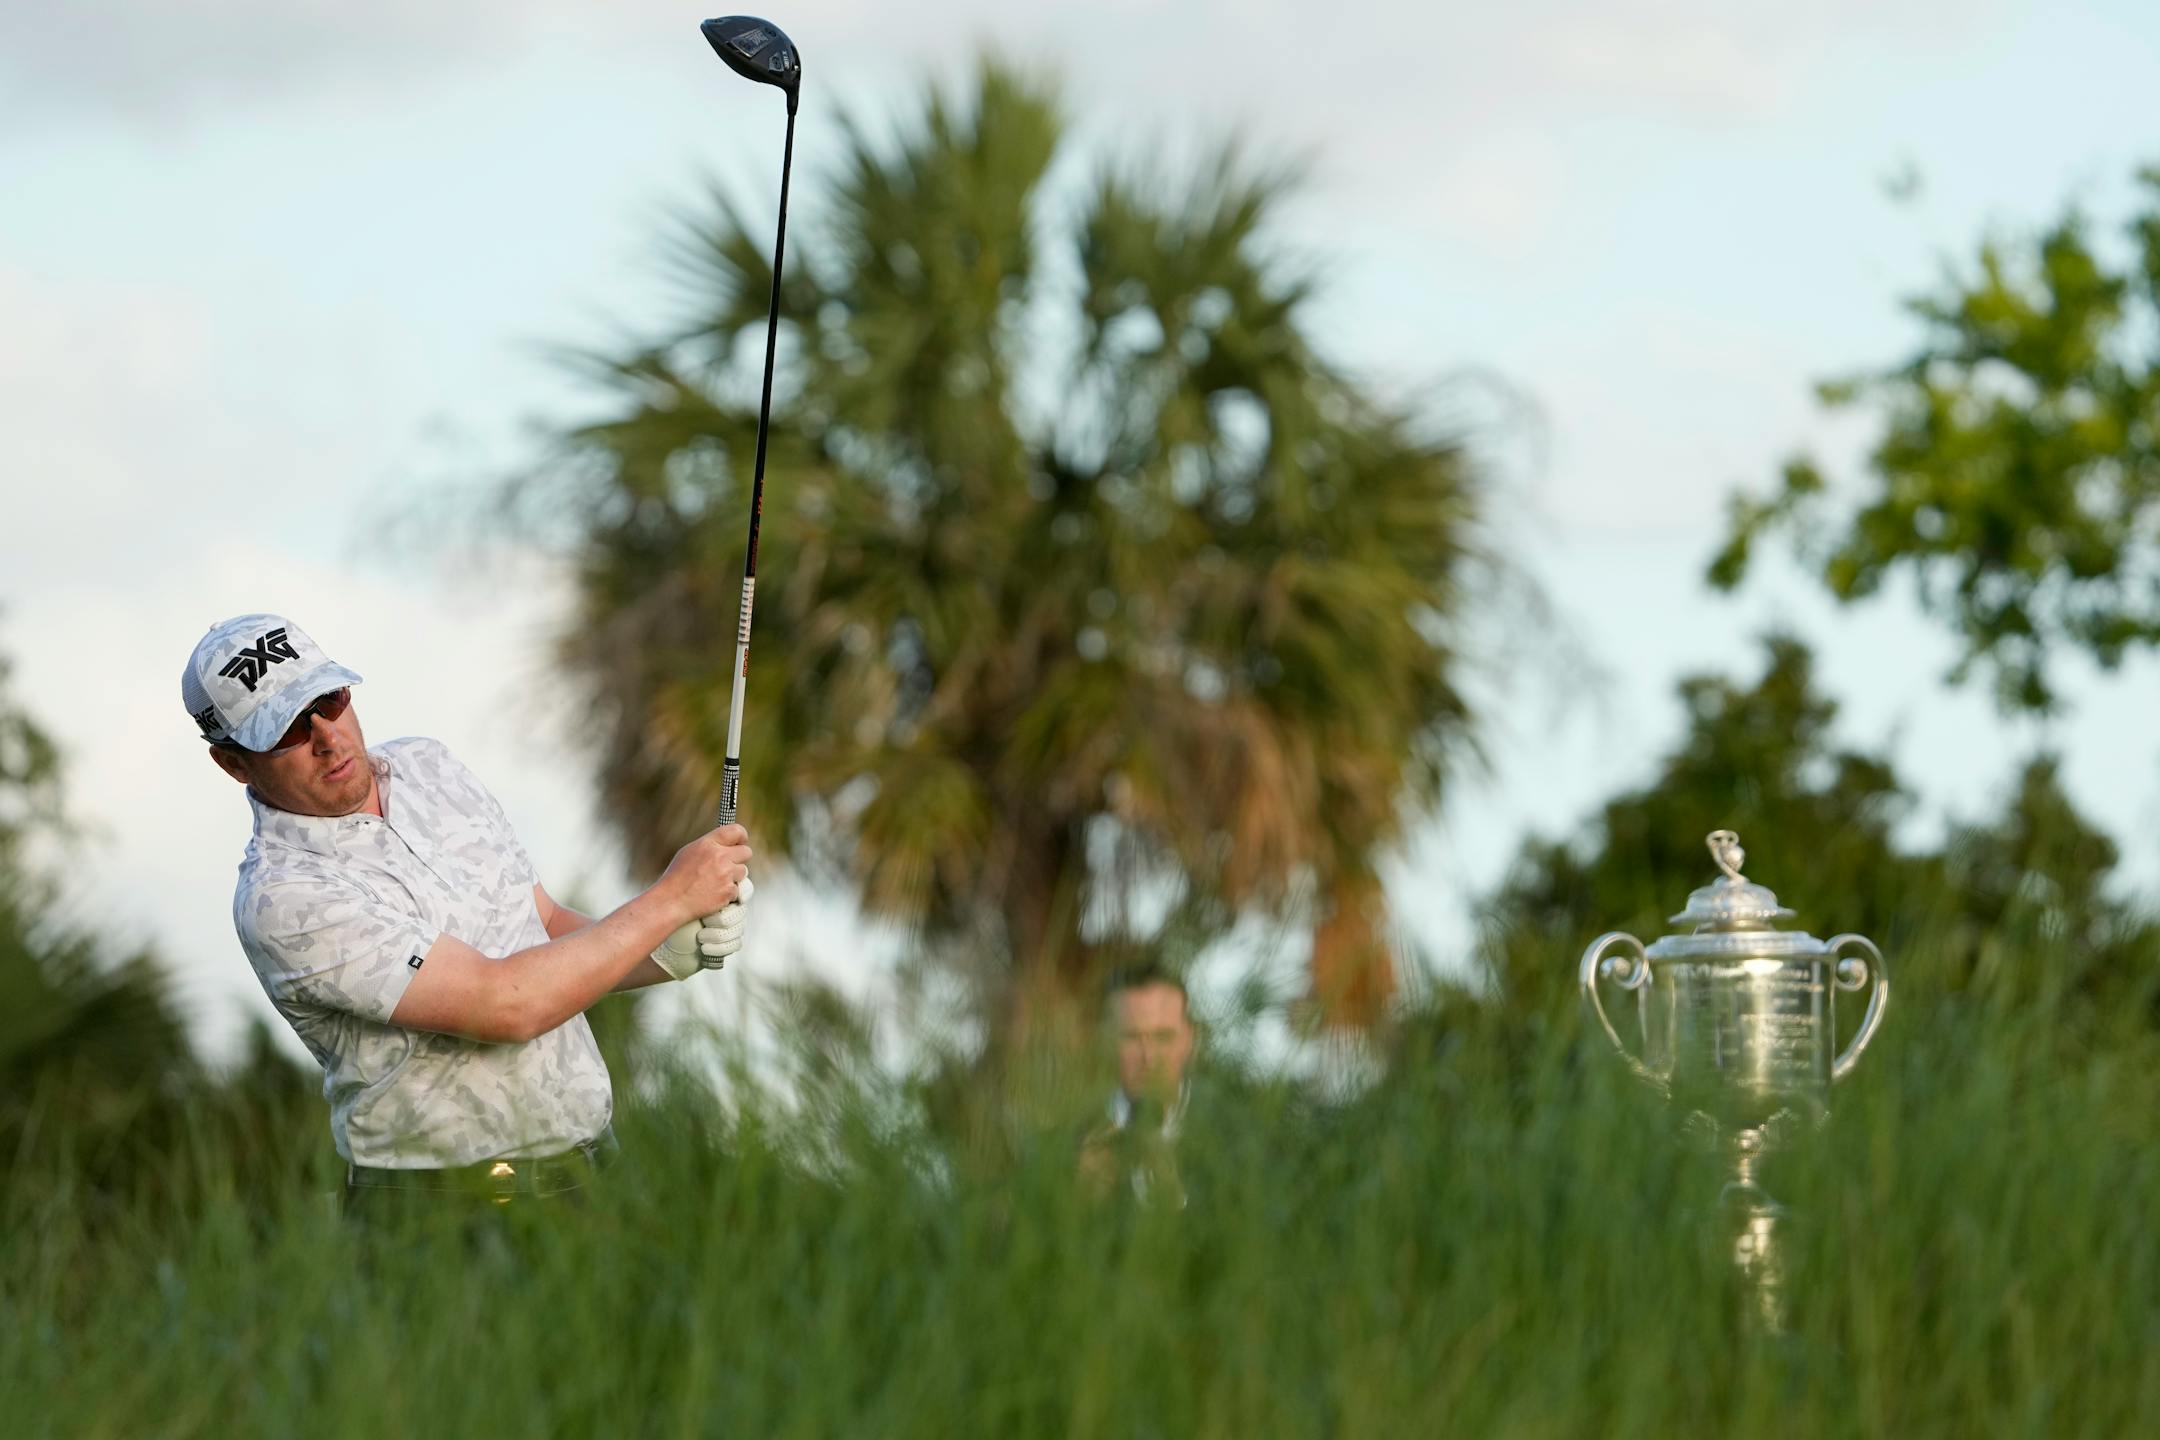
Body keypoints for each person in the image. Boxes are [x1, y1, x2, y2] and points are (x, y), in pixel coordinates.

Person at [183, 613, 752, 1214]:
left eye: (329, 699)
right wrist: (669, 900)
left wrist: (667, 951)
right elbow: (504, 1005)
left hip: (591, 1174)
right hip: (439, 1213)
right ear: (234, 764)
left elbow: (546, 926)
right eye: (287, 731)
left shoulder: (430, 766)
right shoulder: (283, 899)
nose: (327, 738)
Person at [1079, 965, 1198, 1207]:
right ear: (1105, 1042)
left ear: (1188, 1040)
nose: (1148, 1057)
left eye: (1163, 1037)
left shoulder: (1243, 1138)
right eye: (1131, 1037)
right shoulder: (1070, 1144)